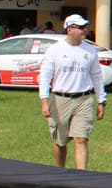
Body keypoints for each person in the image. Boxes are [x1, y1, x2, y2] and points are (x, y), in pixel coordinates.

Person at [38, 14, 107, 170]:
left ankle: (81, 176)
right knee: (60, 142)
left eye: (85, 27)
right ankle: (59, 171)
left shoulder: (90, 50)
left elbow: (96, 76)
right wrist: (44, 100)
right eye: (81, 27)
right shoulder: (55, 50)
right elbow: (45, 76)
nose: (85, 30)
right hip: (60, 99)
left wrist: (102, 100)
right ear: (69, 29)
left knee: (81, 139)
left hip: (84, 99)